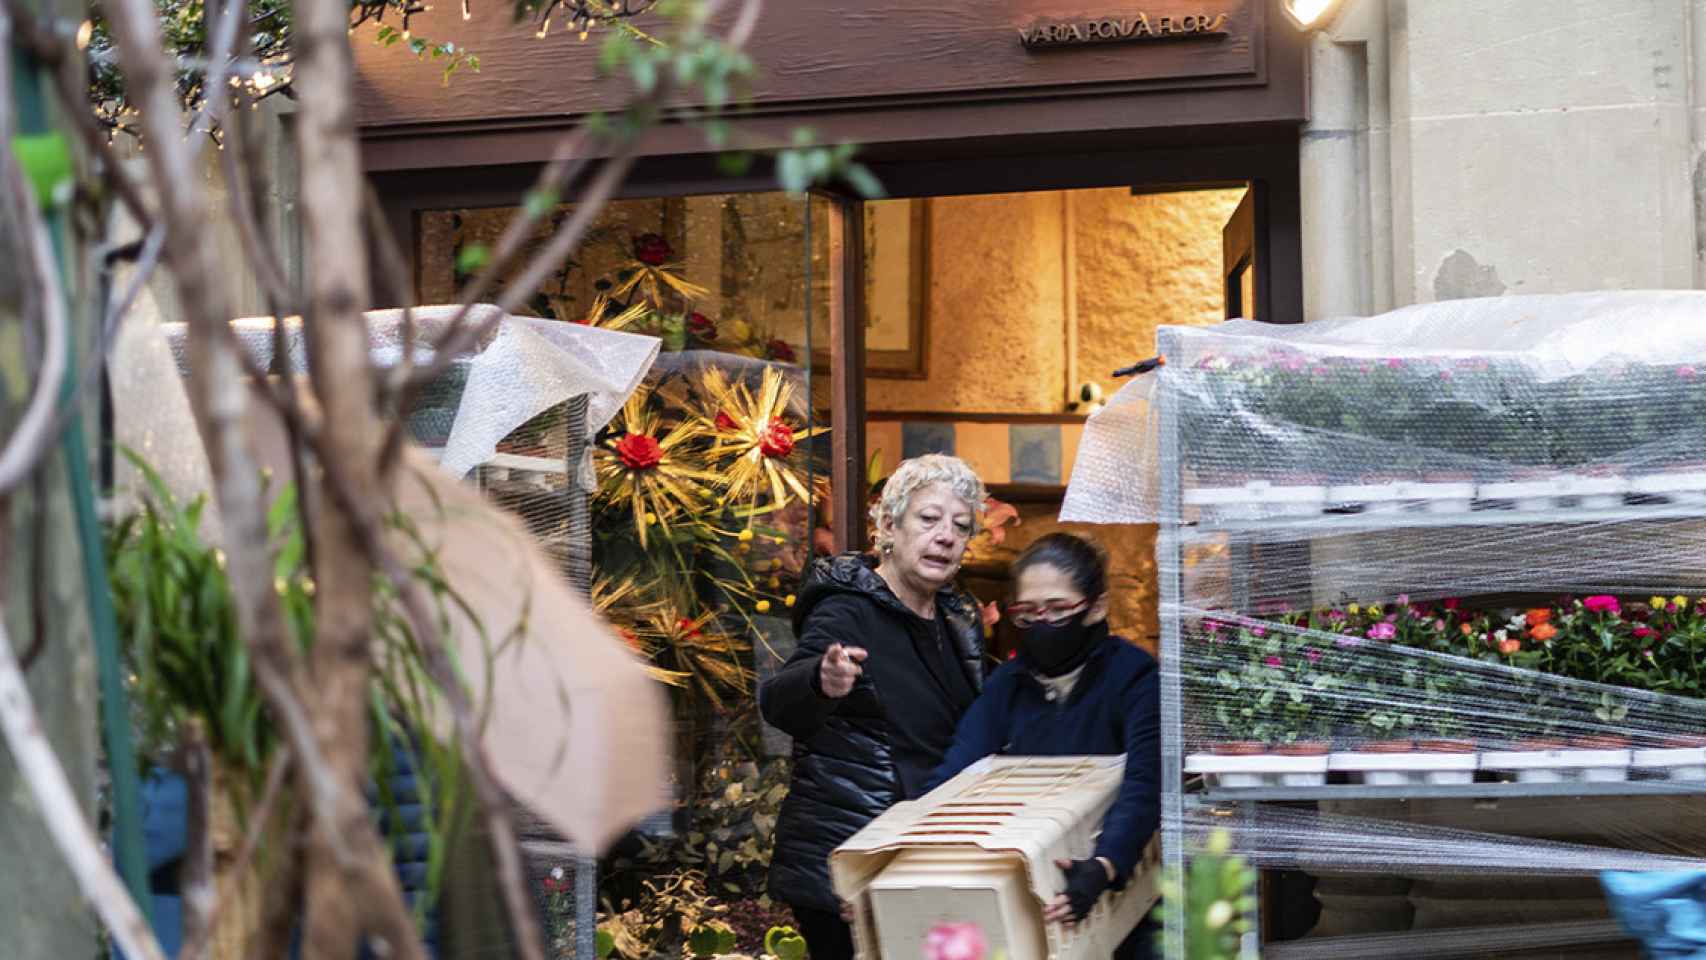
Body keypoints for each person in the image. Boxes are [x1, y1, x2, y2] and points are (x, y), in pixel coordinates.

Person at [760, 454, 990, 960]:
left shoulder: (957, 618)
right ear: (889, 524)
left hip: (924, 858)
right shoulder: (846, 607)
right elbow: (778, 702)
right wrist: (823, 680)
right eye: (929, 519)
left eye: (960, 526)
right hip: (852, 862)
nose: (946, 536)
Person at [926, 532, 1162, 959]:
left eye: (1058, 610)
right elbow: (954, 774)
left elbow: (1145, 784)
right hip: (1034, 897)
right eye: (1028, 613)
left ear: (1097, 607)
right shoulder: (1007, 686)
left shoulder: (1135, 677)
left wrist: (1106, 864)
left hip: (1122, 894)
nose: (1042, 625)